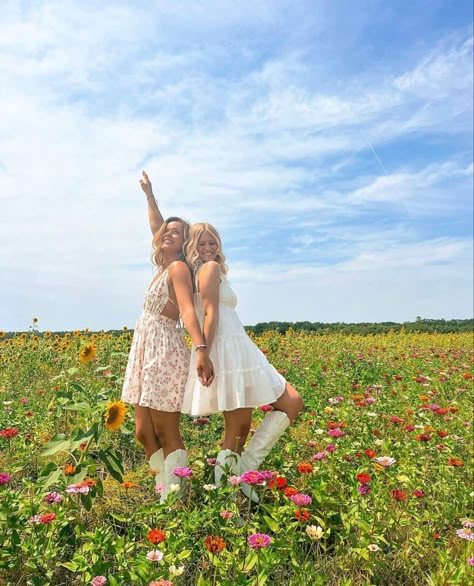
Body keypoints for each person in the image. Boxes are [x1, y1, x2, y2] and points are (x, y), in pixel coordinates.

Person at [181, 222, 303, 501]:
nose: (209, 248)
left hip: (236, 347)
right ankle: (229, 493)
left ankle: (242, 473)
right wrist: (204, 353)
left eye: (213, 242)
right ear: (192, 248)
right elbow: (210, 313)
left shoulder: (203, 271)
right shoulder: (208, 269)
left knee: (242, 426)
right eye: (202, 243)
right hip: (226, 349)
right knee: (246, 424)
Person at [121, 172, 214, 502]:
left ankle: (173, 502)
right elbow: (157, 226)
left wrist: (200, 348)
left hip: (164, 353)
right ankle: (164, 489)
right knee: (143, 432)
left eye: (177, 233)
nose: (167, 234)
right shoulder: (163, 265)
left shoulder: (177, 270)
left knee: (165, 431)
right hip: (146, 350)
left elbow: (189, 311)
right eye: (167, 231)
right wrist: (149, 195)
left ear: (184, 243)